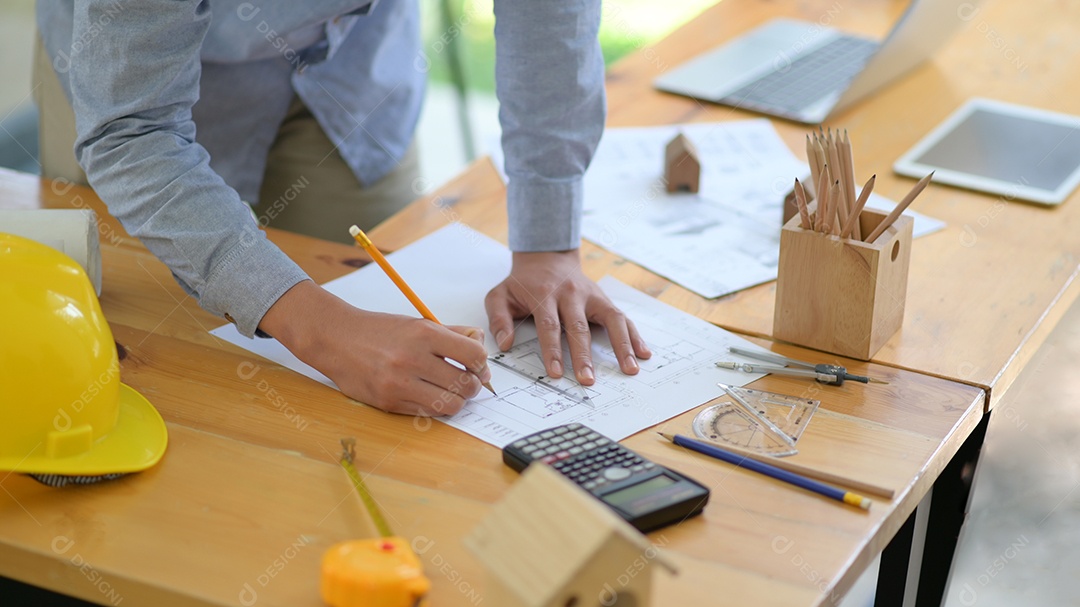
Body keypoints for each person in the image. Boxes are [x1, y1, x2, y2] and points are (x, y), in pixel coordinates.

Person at [34, 0, 651, 417]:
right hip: (136, 75)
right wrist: (323, 330)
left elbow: (549, 18)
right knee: (168, 379)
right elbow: (133, 134)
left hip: (354, 68)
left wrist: (548, 244)